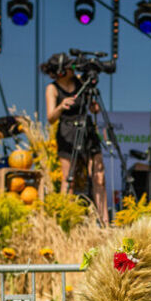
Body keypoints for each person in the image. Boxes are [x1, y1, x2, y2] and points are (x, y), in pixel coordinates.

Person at [40, 52, 107, 224]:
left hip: (86, 127)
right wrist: (61, 106)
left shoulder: (79, 81)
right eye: (69, 67)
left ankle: (105, 221)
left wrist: (94, 107)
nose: (73, 68)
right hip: (68, 131)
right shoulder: (52, 88)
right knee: (67, 178)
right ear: (61, 71)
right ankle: (67, 220)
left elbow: (92, 107)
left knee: (99, 176)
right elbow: (50, 117)